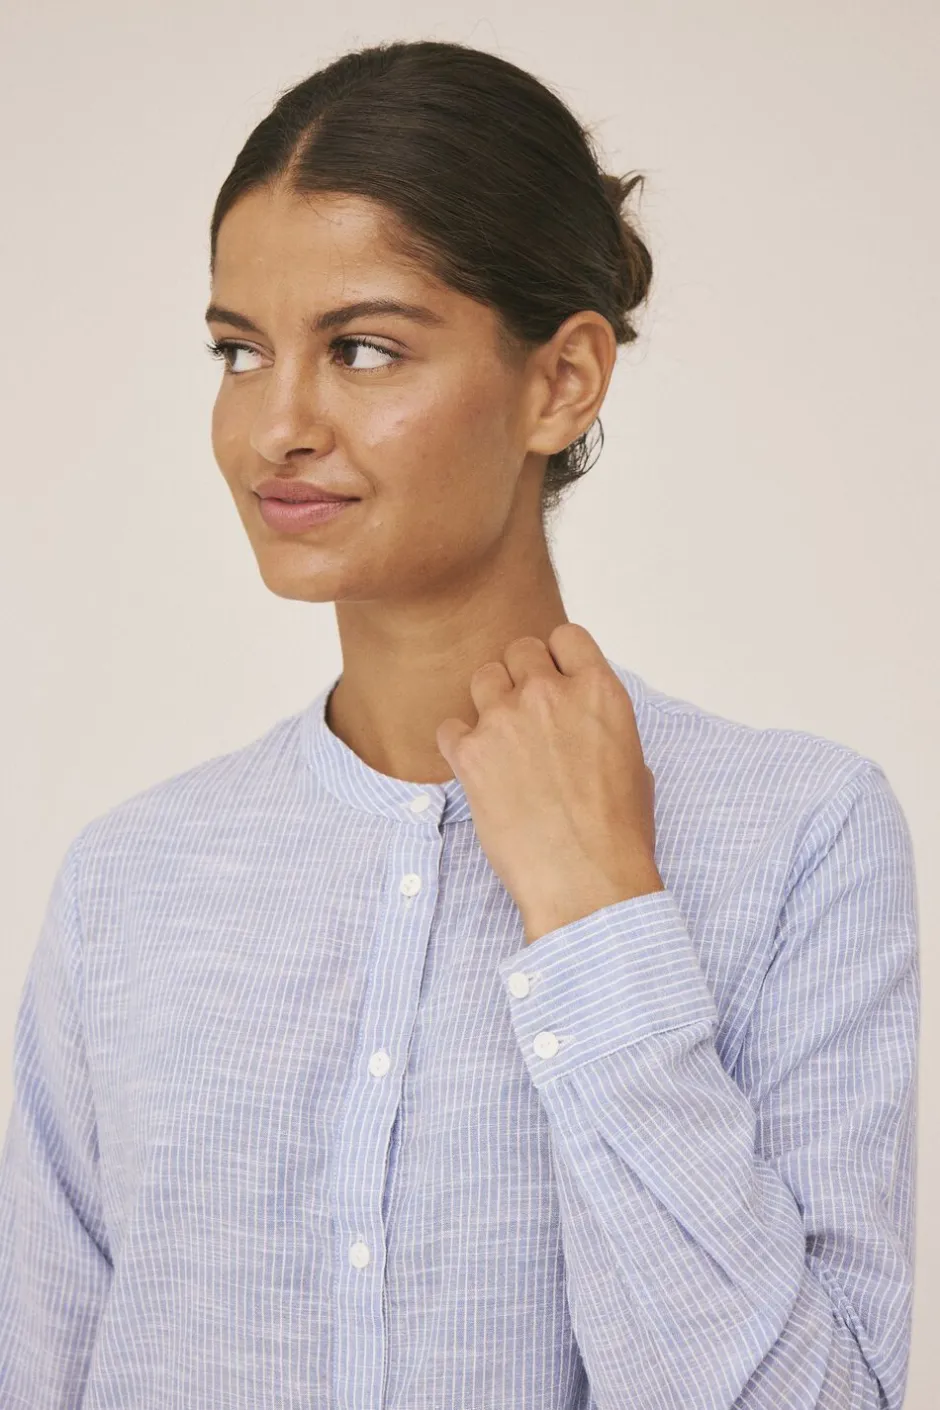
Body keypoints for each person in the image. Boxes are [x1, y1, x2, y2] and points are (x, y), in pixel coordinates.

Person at [0, 38, 918, 1410]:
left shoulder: (799, 840)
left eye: (363, 349)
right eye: (240, 352)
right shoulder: (130, 884)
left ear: (562, 382)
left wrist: (599, 919)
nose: (275, 426)